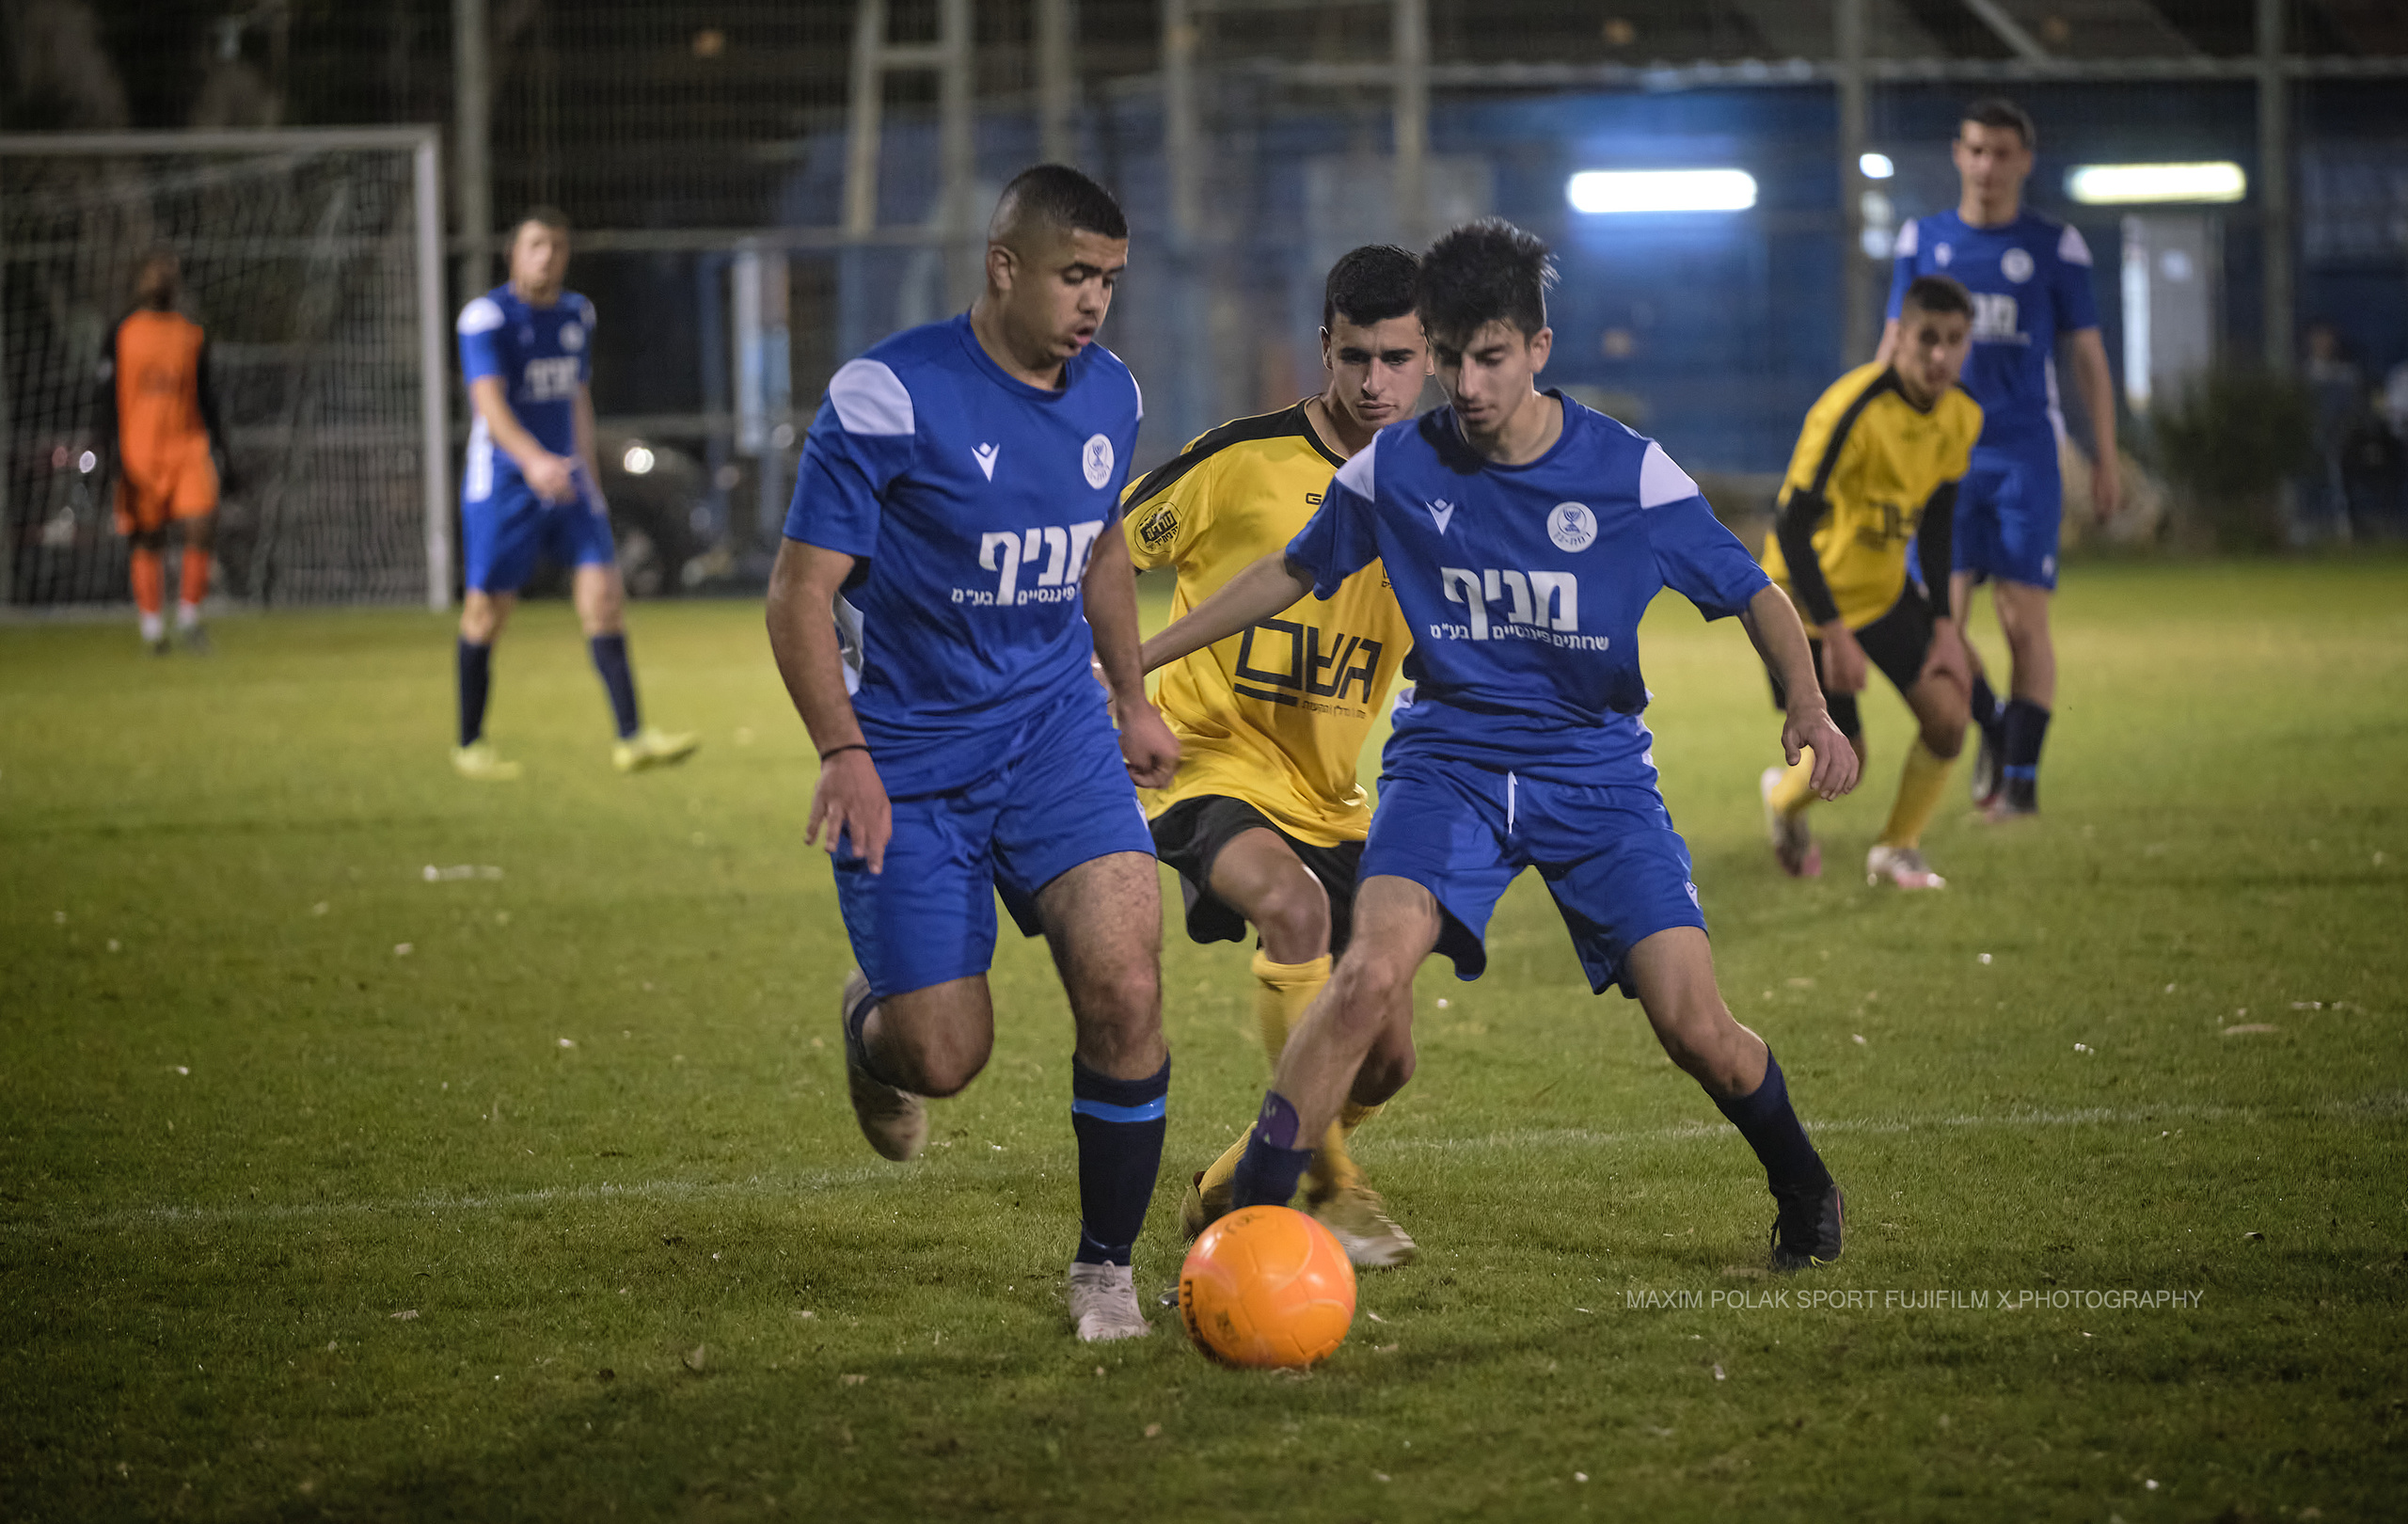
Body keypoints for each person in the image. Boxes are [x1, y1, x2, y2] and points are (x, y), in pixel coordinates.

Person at [1143, 219, 1860, 1271]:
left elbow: (1752, 591)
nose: (1466, 386)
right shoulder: (1397, 467)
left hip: (1597, 776)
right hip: (1448, 768)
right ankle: (1252, 1225)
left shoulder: (1628, 475)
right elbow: (1288, 574)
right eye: (1448, 358)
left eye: (1490, 358)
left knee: (1694, 1025)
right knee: (1366, 975)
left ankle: (1805, 1187)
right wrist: (1144, 657)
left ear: (1538, 349)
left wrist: (1806, 704)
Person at [766, 165, 1180, 1341]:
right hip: (907, 761)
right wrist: (841, 749)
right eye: (1073, 276)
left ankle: (1104, 1267)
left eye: (1109, 278)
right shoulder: (891, 395)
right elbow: (799, 594)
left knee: (1126, 984)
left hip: (1054, 738)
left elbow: (1101, 548)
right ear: (1005, 268)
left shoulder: (1110, 394)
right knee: (945, 1055)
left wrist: (1130, 696)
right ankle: (874, 1027)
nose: (1095, 302)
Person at [1122, 245, 1424, 1266]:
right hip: (1202, 758)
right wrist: (1121, 690)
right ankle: (1332, 1189)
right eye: (1354, 358)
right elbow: (1095, 553)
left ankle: (1234, 1182)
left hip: (1334, 796)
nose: (1374, 383)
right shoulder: (1240, 460)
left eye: (1396, 359)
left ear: (1429, 359)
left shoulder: (1437, 498)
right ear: (1323, 346)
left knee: (1384, 1063)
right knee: (1290, 909)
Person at [1877, 98, 2119, 819]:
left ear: (2025, 161)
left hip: (2022, 457)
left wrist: (2105, 455)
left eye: (2002, 153)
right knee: (1937, 625)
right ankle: (1992, 726)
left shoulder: (2055, 245)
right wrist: (1877, 441)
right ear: (1958, 154)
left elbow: (2088, 357)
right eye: (1976, 150)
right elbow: (1892, 344)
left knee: (2022, 622)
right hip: (1938, 457)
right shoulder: (1923, 240)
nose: (1987, 166)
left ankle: (2021, 781)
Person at [452, 208, 696, 780]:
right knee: (487, 613)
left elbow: (575, 398)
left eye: (558, 247)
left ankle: (631, 738)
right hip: (505, 482)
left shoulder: (575, 313)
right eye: (536, 245)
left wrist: (588, 478)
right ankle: (469, 743)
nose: (548, 257)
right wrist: (534, 462)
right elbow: (489, 403)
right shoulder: (486, 318)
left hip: (568, 481)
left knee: (605, 599)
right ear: (512, 252)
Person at [1760, 275, 1982, 890]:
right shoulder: (1850, 410)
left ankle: (1897, 848)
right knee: (1843, 761)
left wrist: (1943, 625)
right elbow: (1791, 524)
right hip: (1804, 601)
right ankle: (1780, 804)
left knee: (1948, 719)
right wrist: (1834, 633)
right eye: (1926, 339)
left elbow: (1936, 523)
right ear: (1898, 337)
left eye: (1954, 340)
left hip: (1881, 593)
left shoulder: (1961, 416)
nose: (1939, 355)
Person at [98, 251, 230, 655]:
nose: (160, 278)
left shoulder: (191, 335)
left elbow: (207, 398)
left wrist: (226, 451)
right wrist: (109, 452)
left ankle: (189, 617)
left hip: (188, 447)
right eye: (153, 271)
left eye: (168, 272)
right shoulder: (120, 332)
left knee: (201, 523)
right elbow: (103, 398)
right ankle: (153, 629)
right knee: (147, 539)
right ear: (140, 281)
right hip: (139, 452)